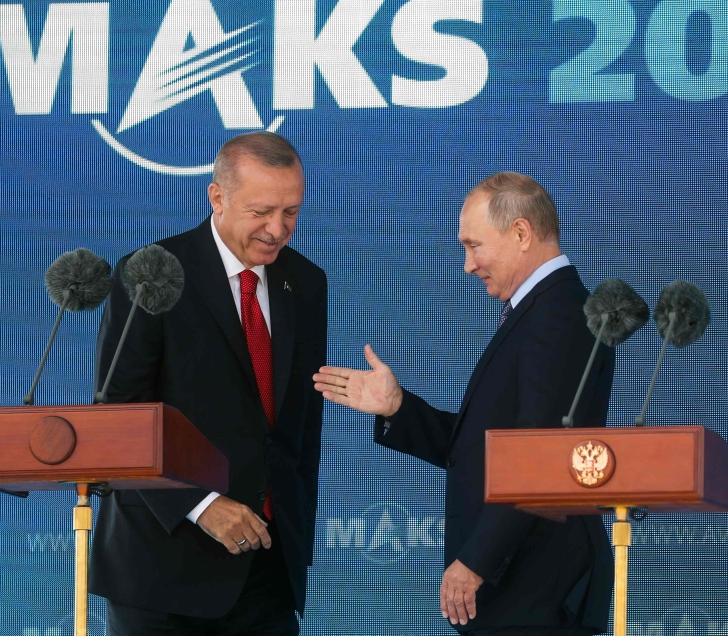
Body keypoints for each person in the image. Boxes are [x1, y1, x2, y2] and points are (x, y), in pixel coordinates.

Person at [313, 172, 615, 636]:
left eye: (474, 246)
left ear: (520, 233)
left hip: (538, 586)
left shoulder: (558, 313)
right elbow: (486, 446)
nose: (467, 265)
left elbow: (540, 452)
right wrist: (398, 408)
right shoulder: (541, 309)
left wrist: (476, 560)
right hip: (524, 587)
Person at [90, 132, 327, 636]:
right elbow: (120, 420)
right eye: (261, 211)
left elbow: (298, 428)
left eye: (292, 211)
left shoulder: (306, 283)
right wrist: (201, 505)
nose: (278, 229)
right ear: (217, 197)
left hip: (267, 571)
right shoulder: (149, 274)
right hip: (161, 571)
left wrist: (294, 532)